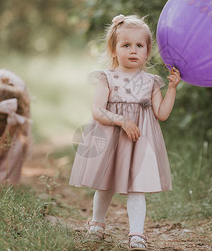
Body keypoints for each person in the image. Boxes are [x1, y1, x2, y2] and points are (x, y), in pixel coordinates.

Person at [69, 14, 181, 250]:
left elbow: (161, 113)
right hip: (112, 138)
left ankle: (137, 233)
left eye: (139, 45)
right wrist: (121, 120)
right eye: (126, 45)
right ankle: (96, 224)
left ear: (147, 50)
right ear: (114, 48)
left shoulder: (151, 82)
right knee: (105, 183)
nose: (133, 50)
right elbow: (98, 110)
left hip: (139, 141)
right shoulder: (107, 78)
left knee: (137, 186)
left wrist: (171, 88)